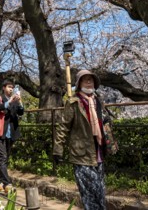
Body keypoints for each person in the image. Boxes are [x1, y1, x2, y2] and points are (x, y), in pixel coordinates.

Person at [53, 69, 108, 210]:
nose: (89, 82)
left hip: (99, 152)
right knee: (90, 193)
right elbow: (63, 126)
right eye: (85, 79)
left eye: (91, 79)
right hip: (82, 153)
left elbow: (105, 123)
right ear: (79, 84)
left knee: (100, 192)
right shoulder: (74, 102)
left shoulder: (98, 100)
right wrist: (57, 150)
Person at [0, 79, 24, 192]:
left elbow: (21, 112)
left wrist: (19, 102)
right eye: (9, 87)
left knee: (5, 159)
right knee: (2, 158)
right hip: (0, 132)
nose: (11, 89)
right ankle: (7, 183)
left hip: (11, 133)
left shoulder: (15, 100)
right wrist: (8, 102)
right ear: (4, 87)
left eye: (12, 87)